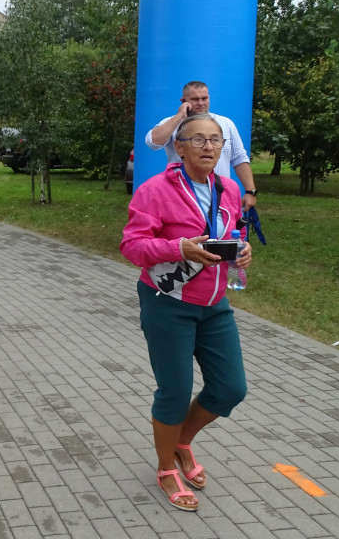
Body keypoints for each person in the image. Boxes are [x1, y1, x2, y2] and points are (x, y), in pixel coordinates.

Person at [120, 113, 253, 512]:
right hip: (168, 303)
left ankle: (181, 443)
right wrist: (180, 248)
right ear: (179, 148)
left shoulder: (228, 189)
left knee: (231, 388)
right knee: (174, 393)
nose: (209, 147)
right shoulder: (154, 190)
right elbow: (132, 246)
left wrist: (242, 249)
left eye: (215, 140)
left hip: (214, 304)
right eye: (198, 140)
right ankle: (165, 468)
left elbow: (231, 232)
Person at [145, 81, 258, 209]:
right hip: (181, 197)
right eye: (194, 99)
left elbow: (239, 158)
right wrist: (180, 116)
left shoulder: (226, 123)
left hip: (219, 195)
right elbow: (152, 143)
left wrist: (250, 191)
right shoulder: (172, 122)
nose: (200, 103)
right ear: (183, 101)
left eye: (204, 98)